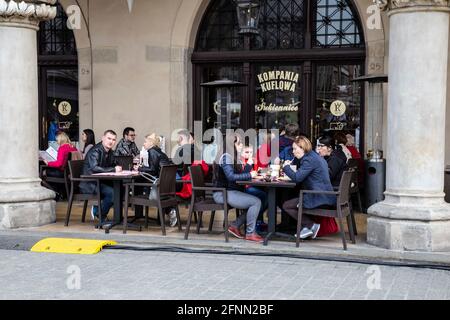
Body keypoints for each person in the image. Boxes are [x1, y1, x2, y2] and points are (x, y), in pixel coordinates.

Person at [282, 136, 336, 239]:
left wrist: (286, 167)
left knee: (287, 205)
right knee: (290, 198)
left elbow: (297, 178)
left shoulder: (309, 160)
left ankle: (311, 225)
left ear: (302, 148)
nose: (293, 152)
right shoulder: (314, 156)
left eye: (295, 149)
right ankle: (306, 228)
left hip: (319, 197)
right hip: (326, 195)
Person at [213, 136, 263, 243]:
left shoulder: (233, 157)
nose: (241, 145)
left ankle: (235, 225)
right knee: (256, 202)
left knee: (263, 199)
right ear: (232, 144)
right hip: (223, 193)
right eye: (239, 143)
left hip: (231, 191)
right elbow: (231, 177)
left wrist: (249, 165)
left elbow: (241, 175)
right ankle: (250, 233)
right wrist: (250, 174)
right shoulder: (226, 157)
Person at [135, 133, 178, 227]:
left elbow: (152, 170)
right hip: (167, 183)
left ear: (151, 143)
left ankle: (170, 210)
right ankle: (170, 210)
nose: (143, 144)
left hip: (160, 183)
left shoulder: (152, 151)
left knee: (138, 183)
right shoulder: (159, 151)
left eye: (145, 141)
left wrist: (139, 169)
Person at [80, 130, 122, 222]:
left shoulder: (110, 152)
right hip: (89, 183)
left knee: (121, 190)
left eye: (114, 140)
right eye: (109, 138)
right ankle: (99, 214)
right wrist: (114, 169)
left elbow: (115, 164)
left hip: (101, 181)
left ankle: (114, 216)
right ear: (103, 138)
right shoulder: (95, 151)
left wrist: (118, 167)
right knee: (113, 193)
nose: (111, 141)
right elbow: (94, 168)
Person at [239, 143, 268, 232]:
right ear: (240, 152)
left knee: (266, 194)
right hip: (243, 188)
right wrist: (248, 165)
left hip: (252, 185)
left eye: (251, 152)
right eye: (246, 152)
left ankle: (258, 221)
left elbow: (254, 172)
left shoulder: (252, 160)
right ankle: (257, 222)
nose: (249, 154)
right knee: (265, 196)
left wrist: (259, 171)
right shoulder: (240, 161)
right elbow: (243, 176)